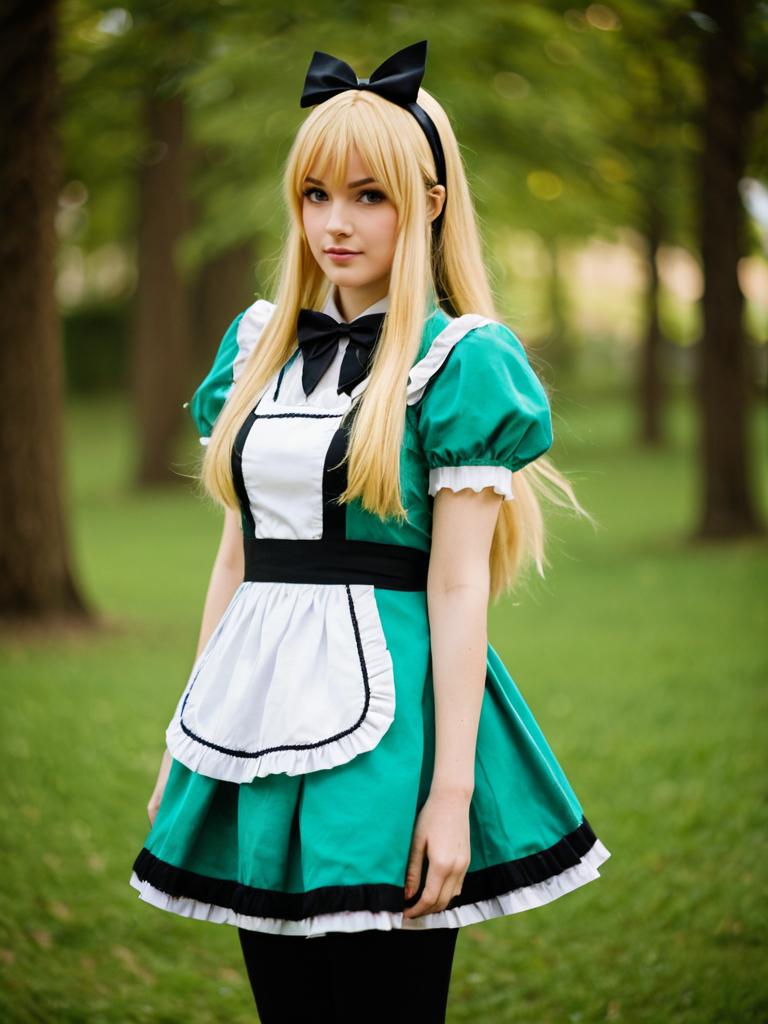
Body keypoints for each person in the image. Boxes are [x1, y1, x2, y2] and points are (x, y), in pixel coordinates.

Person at [129, 39, 611, 1023]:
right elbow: (237, 556)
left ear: (430, 201)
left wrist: (448, 794)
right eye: (315, 195)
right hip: (250, 716)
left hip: (387, 727)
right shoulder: (255, 342)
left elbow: (459, 585)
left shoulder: (463, 362)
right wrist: (187, 743)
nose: (335, 223)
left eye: (369, 195)